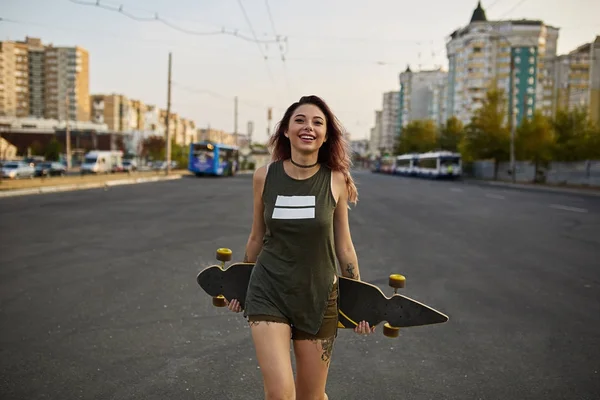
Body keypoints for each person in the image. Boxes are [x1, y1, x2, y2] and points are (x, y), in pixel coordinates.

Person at [226, 95, 374, 400]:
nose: (309, 127)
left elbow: (344, 246)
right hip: (268, 291)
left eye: (317, 122)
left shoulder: (336, 180)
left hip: (318, 295)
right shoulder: (264, 176)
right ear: (286, 130)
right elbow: (256, 236)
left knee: (312, 396)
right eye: (300, 120)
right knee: (280, 394)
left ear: (326, 135)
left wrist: (361, 300)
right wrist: (239, 283)